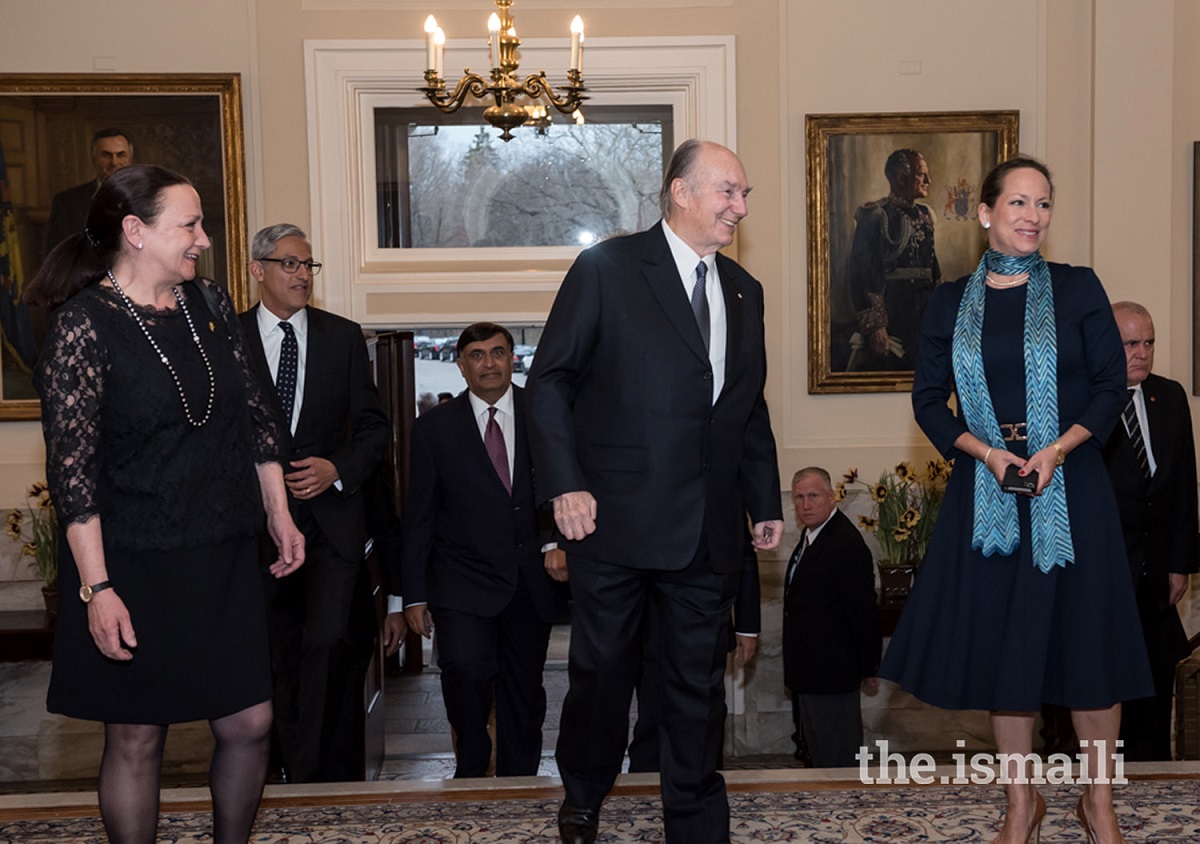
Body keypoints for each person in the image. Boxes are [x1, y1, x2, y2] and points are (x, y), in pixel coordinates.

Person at [25, 164, 305, 843]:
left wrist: (279, 513)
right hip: (133, 560)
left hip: (223, 550)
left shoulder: (207, 303)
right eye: (190, 225)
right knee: (137, 739)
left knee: (251, 722)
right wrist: (97, 589)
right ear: (135, 232)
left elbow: (257, 418)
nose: (203, 239)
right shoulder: (83, 327)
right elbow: (73, 473)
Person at [879, 156, 1153, 844]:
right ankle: (1019, 804)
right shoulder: (948, 301)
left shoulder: (1078, 288)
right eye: (1019, 203)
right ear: (986, 213)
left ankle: (1098, 803)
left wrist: (1056, 450)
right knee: (1010, 655)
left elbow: (1109, 386)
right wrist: (989, 454)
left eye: (1044, 204)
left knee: (1089, 655)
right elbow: (927, 402)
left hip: (1072, 483)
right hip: (989, 488)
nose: (1033, 216)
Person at [527, 138, 783, 844]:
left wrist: (763, 499)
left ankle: (696, 822)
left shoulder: (744, 290)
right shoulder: (607, 269)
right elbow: (549, 383)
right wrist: (564, 489)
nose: (740, 206)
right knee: (602, 675)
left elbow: (744, 404)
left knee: (696, 686)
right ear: (680, 191)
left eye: (744, 194)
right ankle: (583, 793)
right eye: (728, 190)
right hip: (613, 524)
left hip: (706, 530)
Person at [239, 223, 390, 783]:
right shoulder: (226, 339)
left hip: (330, 525)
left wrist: (337, 470)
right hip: (256, 530)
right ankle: (276, 765)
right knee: (272, 653)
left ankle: (309, 776)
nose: (302, 275)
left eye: (308, 266)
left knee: (327, 642)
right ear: (258, 270)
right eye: (290, 264)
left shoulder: (342, 337)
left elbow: (375, 429)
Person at [401, 322, 568, 778]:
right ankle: (471, 768)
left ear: (512, 359)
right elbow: (419, 514)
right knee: (466, 671)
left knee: (523, 690)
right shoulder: (433, 428)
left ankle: (518, 782)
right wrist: (412, 595)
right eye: (477, 355)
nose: (489, 362)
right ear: (460, 365)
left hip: (528, 580)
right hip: (461, 580)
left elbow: (564, 485)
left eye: (498, 352)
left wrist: (557, 541)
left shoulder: (544, 412)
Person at [1101, 301, 1198, 761]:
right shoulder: (1084, 400)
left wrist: (1180, 565)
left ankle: (1154, 786)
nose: (1142, 353)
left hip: (1155, 579)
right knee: (1101, 694)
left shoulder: (1171, 397)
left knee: (1156, 692)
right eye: (1130, 344)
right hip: (1102, 575)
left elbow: (1182, 488)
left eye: (1149, 342)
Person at [627, 532, 761, 774]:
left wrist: (747, 626)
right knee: (652, 710)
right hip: (651, 625)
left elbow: (741, 550)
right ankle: (645, 783)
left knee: (707, 710)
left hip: (707, 621)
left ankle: (703, 783)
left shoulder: (721, 493)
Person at [783, 467, 880, 768]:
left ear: (831, 496)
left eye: (813, 496)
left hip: (833, 675)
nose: (806, 504)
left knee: (839, 759)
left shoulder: (844, 543)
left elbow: (863, 610)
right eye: (799, 497)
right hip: (811, 673)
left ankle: (848, 811)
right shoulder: (811, 536)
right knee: (820, 756)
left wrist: (869, 665)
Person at [845, 148, 942, 371]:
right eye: (921, 174)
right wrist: (876, 327)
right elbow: (861, 276)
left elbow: (933, 270)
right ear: (900, 179)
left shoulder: (926, 215)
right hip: (893, 314)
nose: (928, 180)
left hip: (925, 314)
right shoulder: (875, 216)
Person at [46, 128, 134, 251]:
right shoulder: (66, 203)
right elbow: (57, 255)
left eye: (121, 155)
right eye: (106, 155)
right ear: (94, 159)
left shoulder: (149, 198)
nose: (114, 162)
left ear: (130, 159)